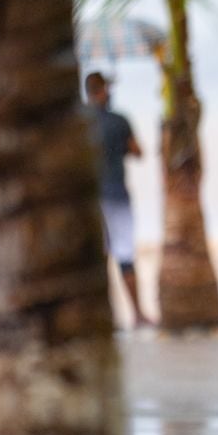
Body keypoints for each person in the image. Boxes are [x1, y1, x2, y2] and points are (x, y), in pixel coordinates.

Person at [84, 71, 150, 327]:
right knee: (125, 257)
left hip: (91, 199)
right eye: (107, 89)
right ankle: (137, 315)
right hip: (117, 196)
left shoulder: (81, 124)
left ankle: (103, 318)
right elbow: (138, 152)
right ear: (102, 91)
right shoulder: (119, 121)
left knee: (98, 260)